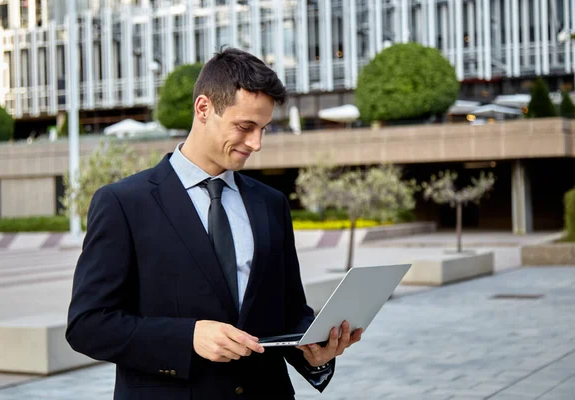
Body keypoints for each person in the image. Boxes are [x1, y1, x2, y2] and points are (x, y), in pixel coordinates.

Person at [66, 47, 362, 400]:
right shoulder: (123, 203)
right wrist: (188, 337)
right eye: (245, 127)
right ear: (204, 108)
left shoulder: (271, 203)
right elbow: (88, 325)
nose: (256, 143)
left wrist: (315, 352)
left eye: (263, 128)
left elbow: (288, 312)